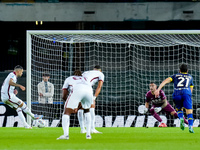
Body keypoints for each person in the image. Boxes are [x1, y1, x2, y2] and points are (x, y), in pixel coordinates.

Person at [155, 64, 194, 133]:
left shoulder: (175, 76)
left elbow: (165, 81)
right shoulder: (190, 77)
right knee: (189, 111)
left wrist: (158, 89)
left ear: (179, 70)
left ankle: (181, 118)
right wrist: (189, 95)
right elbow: (191, 88)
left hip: (177, 94)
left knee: (179, 109)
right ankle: (190, 126)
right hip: (186, 93)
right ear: (187, 71)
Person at [57, 70, 93, 140]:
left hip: (77, 90)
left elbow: (64, 95)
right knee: (87, 111)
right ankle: (88, 135)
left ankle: (65, 135)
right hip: (89, 91)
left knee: (66, 113)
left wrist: (71, 106)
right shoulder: (85, 79)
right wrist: (76, 105)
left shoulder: (69, 78)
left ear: (74, 74)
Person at [77, 65, 104, 134]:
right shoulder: (100, 74)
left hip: (77, 87)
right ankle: (92, 128)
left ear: (94, 69)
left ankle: (82, 129)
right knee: (92, 106)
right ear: (100, 70)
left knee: (80, 107)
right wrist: (94, 97)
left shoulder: (86, 72)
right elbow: (99, 86)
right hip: (87, 87)